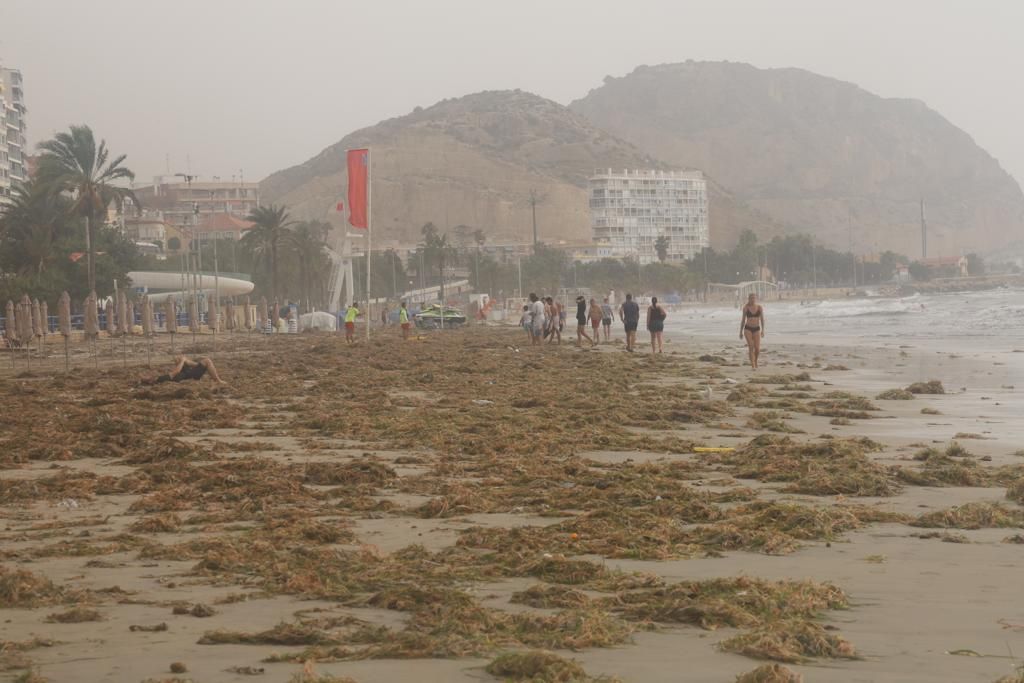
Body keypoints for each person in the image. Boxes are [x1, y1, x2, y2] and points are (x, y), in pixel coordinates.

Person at [149, 355, 226, 385]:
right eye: (150, 377)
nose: (152, 375)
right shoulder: (162, 378)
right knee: (207, 361)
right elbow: (176, 372)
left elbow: (177, 371)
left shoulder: (161, 378)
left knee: (179, 358)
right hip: (188, 376)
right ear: (152, 380)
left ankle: (198, 364)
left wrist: (183, 360)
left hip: (186, 373)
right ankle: (218, 380)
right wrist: (182, 360)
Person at [740, 293, 765, 369]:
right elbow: (743, 320)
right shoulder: (746, 308)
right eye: (751, 298)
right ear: (749, 299)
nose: (753, 300)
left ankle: (755, 361)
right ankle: (753, 364)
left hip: (757, 329)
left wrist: (763, 330)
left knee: (757, 349)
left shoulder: (759, 307)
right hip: (748, 329)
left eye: (754, 298)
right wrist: (740, 332)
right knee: (751, 346)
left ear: (756, 299)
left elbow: (762, 319)